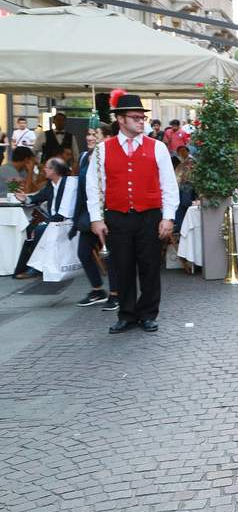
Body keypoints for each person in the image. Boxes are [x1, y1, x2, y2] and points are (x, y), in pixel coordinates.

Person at [85, 91, 180, 334]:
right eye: (136, 117)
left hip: (149, 215)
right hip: (117, 216)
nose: (141, 121)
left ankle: (148, 313)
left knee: (149, 267)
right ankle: (126, 314)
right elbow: (94, 186)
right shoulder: (103, 150)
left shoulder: (157, 147)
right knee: (122, 266)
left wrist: (168, 217)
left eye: (142, 117)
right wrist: (96, 218)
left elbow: (169, 185)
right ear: (121, 120)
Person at [12, 157, 76, 279]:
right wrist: (25, 198)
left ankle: (36, 268)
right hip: (54, 221)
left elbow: (67, 210)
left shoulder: (70, 184)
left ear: (54, 170)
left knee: (39, 230)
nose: (43, 169)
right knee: (31, 228)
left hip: (67, 222)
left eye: (46, 167)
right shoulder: (51, 185)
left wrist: (49, 222)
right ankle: (33, 265)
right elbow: (39, 196)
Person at [71, 127, 114, 308]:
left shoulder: (109, 156)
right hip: (88, 213)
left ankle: (116, 293)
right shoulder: (83, 157)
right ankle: (97, 289)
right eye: (88, 134)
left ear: (107, 138)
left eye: (95, 134)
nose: (89, 137)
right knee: (83, 253)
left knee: (111, 255)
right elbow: (80, 189)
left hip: (109, 212)